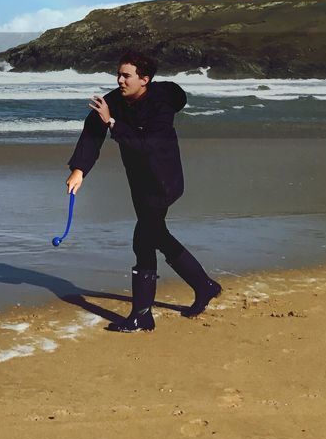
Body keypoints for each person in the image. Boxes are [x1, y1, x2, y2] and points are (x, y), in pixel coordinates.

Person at [65, 51, 221, 332]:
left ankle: (141, 315)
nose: (120, 80)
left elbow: (146, 144)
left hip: (163, 180)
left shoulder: (160, 105)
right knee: (156, 234)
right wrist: (79, 170)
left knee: (144, 239)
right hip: (138, 180)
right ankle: (204, 286)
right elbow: (93, 130)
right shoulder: (114, 100)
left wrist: (113, 122)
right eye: (119, 74)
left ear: (144, 80)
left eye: (127, 75)